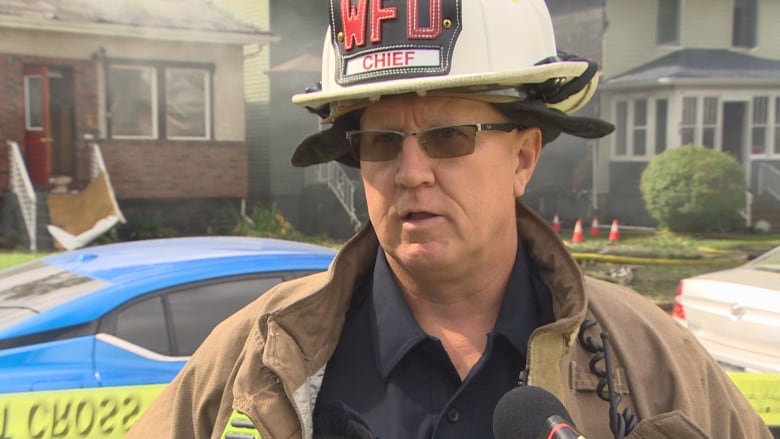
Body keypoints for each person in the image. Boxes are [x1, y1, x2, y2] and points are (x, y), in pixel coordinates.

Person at [129, 1, 772, 438]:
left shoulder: (651, 357)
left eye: (448, 137)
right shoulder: (255, 359)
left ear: (523, 156)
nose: (411, 173)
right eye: (381, 142)